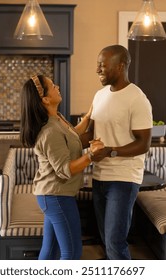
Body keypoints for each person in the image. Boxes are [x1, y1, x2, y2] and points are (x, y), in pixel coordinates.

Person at [20, 74, 104, 260]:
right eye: (52, 86)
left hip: (52, 196)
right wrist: (91, 155)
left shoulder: (57, 119)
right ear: (45, 99)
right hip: (56, 196)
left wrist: (89, 115)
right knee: (72, 253)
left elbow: (73, 134)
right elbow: (65, 170)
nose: (57, 86)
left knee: (50, 252)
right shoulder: (49, 132)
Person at [83, 45, 153, 260]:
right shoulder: (99, 95)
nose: (97, 70)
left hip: (123, 178)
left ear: (120, 66)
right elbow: (91, 133)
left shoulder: (137, 99)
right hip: (100, 176)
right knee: (106, 239)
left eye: (102, 66)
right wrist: (62, 139)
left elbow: (143, 144)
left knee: (115, 241)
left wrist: (111, 151)